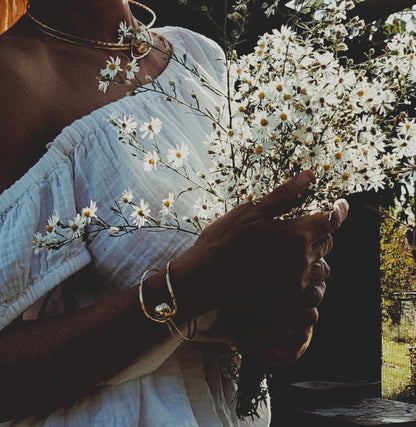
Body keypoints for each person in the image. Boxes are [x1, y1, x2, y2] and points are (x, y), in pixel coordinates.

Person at [0, 0, 349, 425]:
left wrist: (283, 320)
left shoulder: (200, 57)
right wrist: (189, 288)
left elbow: (251, 296)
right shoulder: (11, 79)